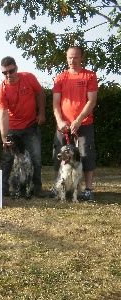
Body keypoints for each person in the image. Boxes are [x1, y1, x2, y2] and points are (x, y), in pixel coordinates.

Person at [52, 46, 98, 201]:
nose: (72, 60)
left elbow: (91, 101)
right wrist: (60, 121)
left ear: (81, 57)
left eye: (75, 57)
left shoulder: (89, 76)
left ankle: (88, 189)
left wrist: (78, 120)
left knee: (86, 155)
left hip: (84, 124)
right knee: (59, 154)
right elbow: (56, 104)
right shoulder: (60, 78)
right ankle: (58, 186)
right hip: (63, 126)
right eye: (69, 57)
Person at [0, 56, 46, 197]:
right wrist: (4, 138)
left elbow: (40, 94)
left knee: (35, 157)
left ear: (16, 69)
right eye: (4, 73)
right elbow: (3, 115)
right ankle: (3, 188)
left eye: (11, 71)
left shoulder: (29, 78)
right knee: (7, 159)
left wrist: (41, 114)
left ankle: (36, 189)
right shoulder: (2, 90)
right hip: (13, 128)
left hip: (31, 125)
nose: (8, 75)